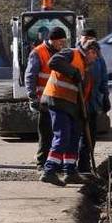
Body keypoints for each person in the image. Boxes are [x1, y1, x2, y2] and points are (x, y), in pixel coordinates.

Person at [40, 39, 101, 187]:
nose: (96, 58)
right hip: (58, 99)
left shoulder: (86, 69)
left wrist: (84, 113)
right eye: (95, 54)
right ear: (90, 51)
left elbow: (83, 95)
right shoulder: (71, 53)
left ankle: (70, 171)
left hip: (72, 106)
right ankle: (49, 171)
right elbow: (53, 62)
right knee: (63, 136)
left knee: (74, 136)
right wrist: (72, 72)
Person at [25, 27, 68, 167]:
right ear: (53, 40)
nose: (63, 44)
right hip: (45, 101)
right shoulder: (38, 52)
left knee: (59, 133)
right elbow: (30, 77)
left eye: (64, 41)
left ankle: (56, 163)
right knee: (46, 134)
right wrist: (32, 97)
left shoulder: (63, 52)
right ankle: (42, 163)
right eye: (61, 42)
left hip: (60, 100)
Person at [77, 29, 110, 175]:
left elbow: (103, 80)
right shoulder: (75, 55)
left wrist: (106, 98)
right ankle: (70, 167)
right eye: (86, 38)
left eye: (91, 39)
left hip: (92, 103)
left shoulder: (99, 59)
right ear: (81, 38)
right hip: (76, 104)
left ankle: (84, 166)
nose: (88, 41)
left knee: (90, 135)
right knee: (76, 135)